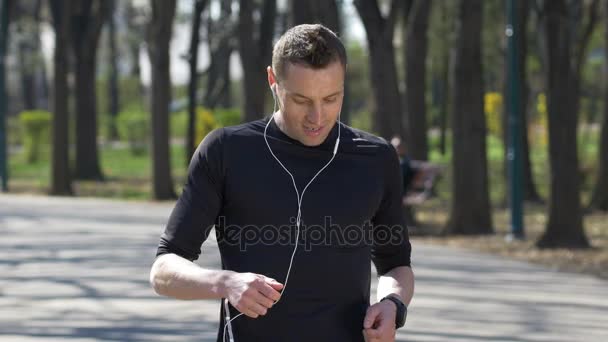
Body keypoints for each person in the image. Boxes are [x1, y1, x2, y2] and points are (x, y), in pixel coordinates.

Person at [149, 24, 414, 342]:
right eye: (301, 100)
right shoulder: (226, 151)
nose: (317, 117)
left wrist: (393, 304)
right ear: (273, 82)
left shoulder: (376, 158)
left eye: (331, 98)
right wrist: (225, 282)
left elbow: (396, 265)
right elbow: (164, 270)